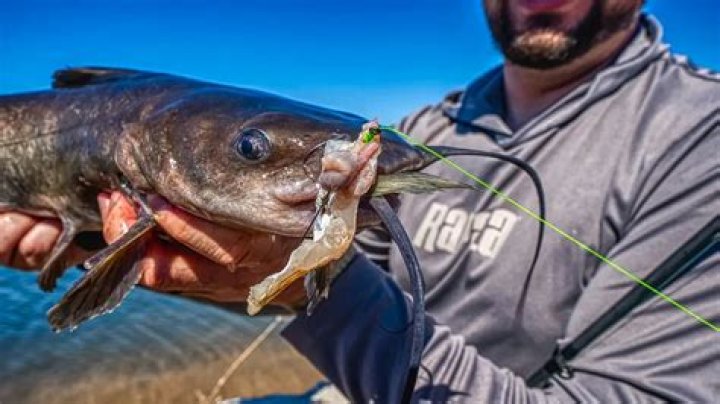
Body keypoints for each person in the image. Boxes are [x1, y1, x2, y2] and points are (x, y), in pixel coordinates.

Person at [2, 0, 718, 401]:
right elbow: (320, 283)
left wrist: (297, 285)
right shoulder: (432, 126)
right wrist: (99, 245)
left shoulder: (700, 139)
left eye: (250, 145)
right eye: (253, 147)